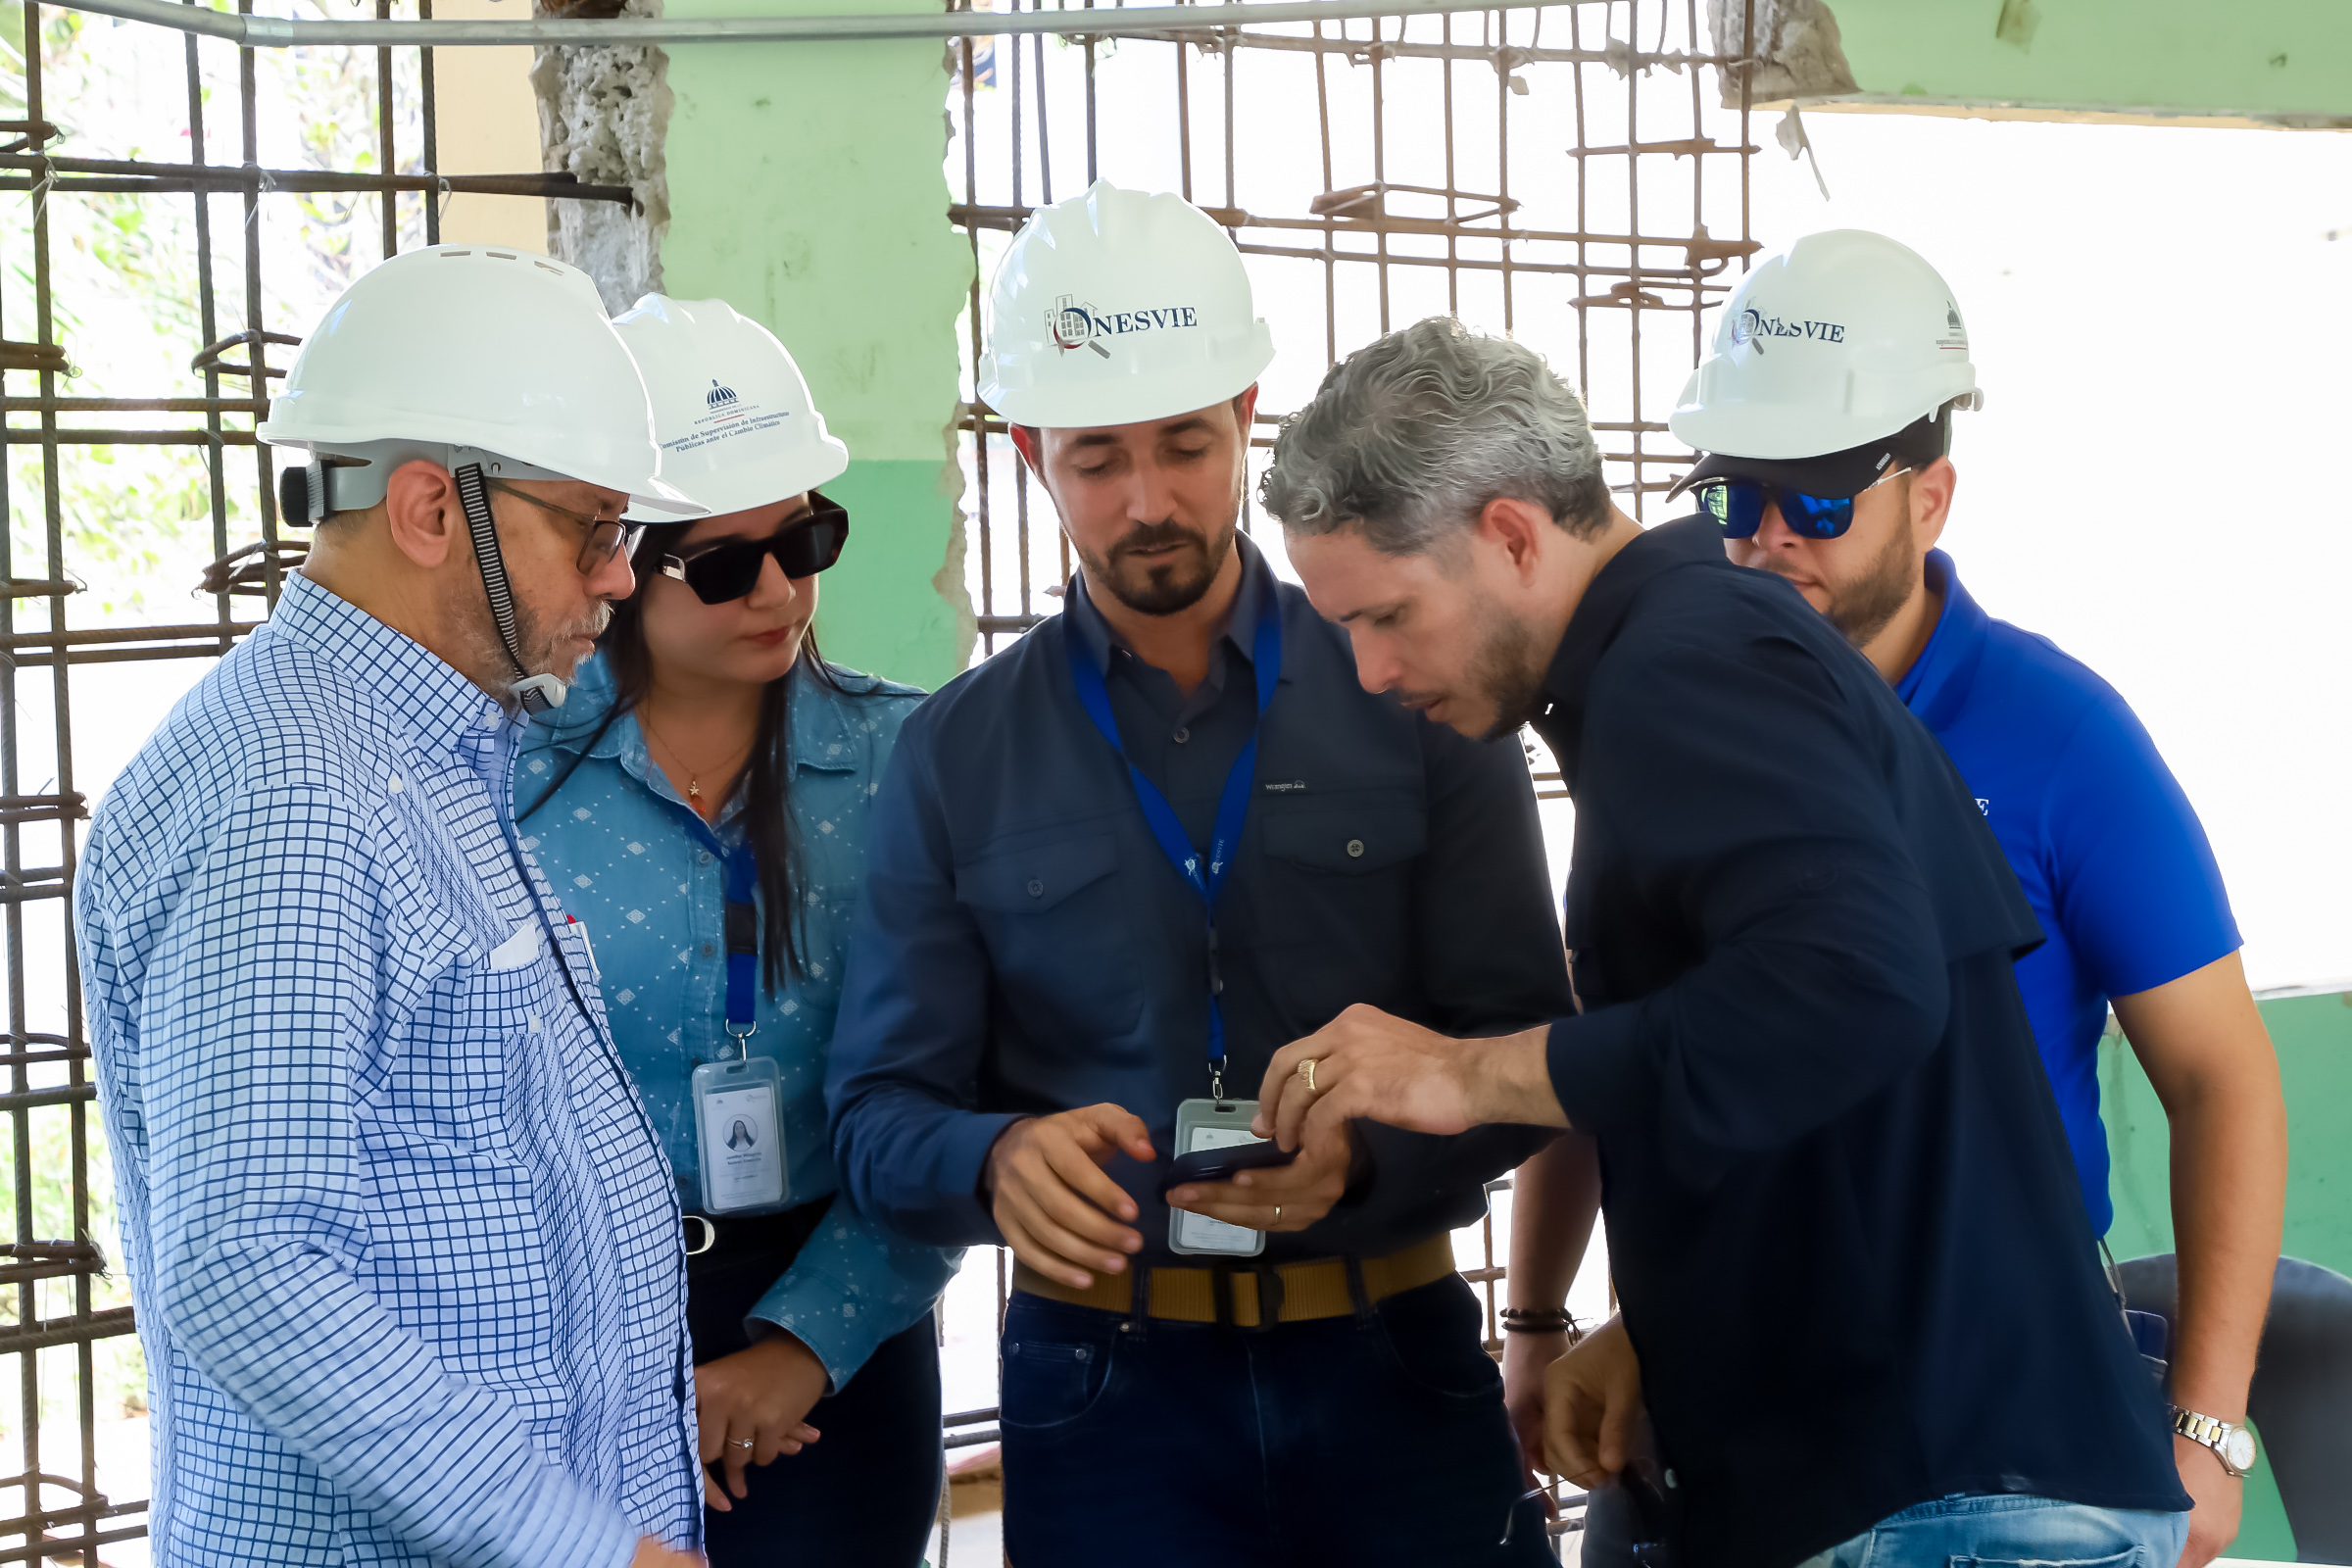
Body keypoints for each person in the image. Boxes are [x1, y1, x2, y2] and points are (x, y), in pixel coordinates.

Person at [1251, 316, 2193, 1568]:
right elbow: (1817, 1091)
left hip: (1941, 1503)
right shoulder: (1698, 644)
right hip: (1928, 1482)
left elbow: (1855, 986)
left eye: (1386, 616)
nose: (1369, 671)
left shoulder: (1685, 661)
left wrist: (1465, 1072)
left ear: (1513, 536)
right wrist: (1660, 1328)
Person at [825, 182, 1575, 1567]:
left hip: (1393, 1358)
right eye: (1096, 460)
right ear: (1026, 450)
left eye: (1184, 445)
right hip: (1106, 1396)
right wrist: (996, 1159)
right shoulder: (956, 754)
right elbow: (876, 1117)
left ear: (1246, 414)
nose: (1149, 502)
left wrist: (1372, 1153)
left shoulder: (1412, 685)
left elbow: (1530, 1040)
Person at [74, 247, 707, 1567]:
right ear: (430, 509)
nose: (618, 578)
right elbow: (248, 1268)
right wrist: (580, 1545)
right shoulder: (295, 794)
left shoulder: (420, 756)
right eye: (593, 530)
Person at [1663, 229, 2287, 1564]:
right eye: (1735, 496)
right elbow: (1635, 1045)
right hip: (1747, 1414)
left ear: (1930, 497)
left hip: (2010, 1440)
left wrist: (2208, 1429)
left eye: (1819, 499)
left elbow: (2222, 1078)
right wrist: (1560, 1319)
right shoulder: (1685, 733)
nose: (1769, 541)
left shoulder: (2060, 738)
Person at [518, 294, 957, 1566]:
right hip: (569, 1339)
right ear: (620, 561)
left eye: (806, 539)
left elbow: (959, 1082)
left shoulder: (910, 759)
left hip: (837, 1337)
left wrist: (804, 1345)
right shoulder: (507, 777)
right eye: (722, 564)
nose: (780, 589)